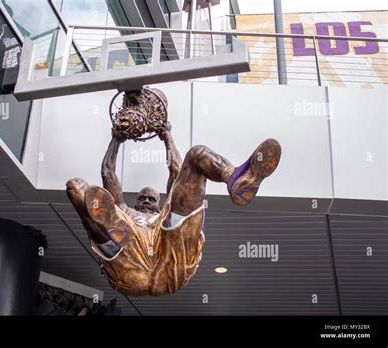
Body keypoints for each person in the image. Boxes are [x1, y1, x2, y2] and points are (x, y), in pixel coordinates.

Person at [66, 88, 281, 296]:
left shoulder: (164, 216)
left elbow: (177, 170)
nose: (147, 201)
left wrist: (166, 134)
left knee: (197, 155)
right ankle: (112, 230)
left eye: (151, 198)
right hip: (129, 263)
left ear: (159, 204)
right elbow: (108, 173)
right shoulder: (125, 211)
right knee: (77, 188)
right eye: (143, 198)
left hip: (170, 263)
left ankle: (236, 179)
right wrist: (116, 139)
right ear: (136, 202)